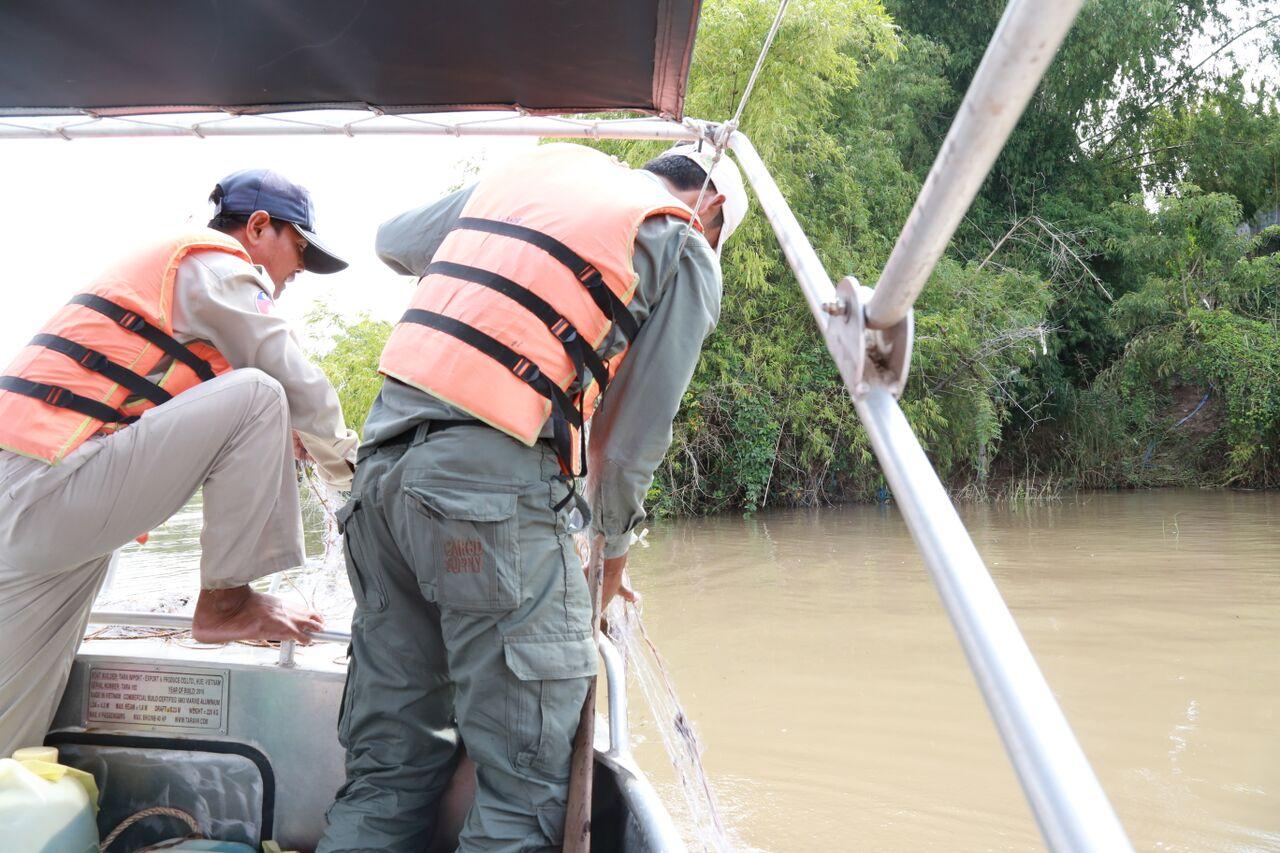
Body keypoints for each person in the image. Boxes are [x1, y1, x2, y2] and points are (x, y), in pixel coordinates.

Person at [318, 142, 748, 852]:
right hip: (488, 499)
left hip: (382, 482)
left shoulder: (534, 176)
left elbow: (394, 240)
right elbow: (626, 449)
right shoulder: (680, 241)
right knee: (523, 794)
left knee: (387, 771)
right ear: (713, 210)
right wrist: (608, 567)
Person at [0, 169, 360, 756]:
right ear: (260, 226)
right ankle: (228, 604)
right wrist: (351, 469)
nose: (296, 273)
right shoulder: (214, 264)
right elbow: (287, 375)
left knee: (9, 739)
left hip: (38, 508)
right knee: (261, 393)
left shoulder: (176, 294)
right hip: (43, 491)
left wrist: (280, 438)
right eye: (298, 250)